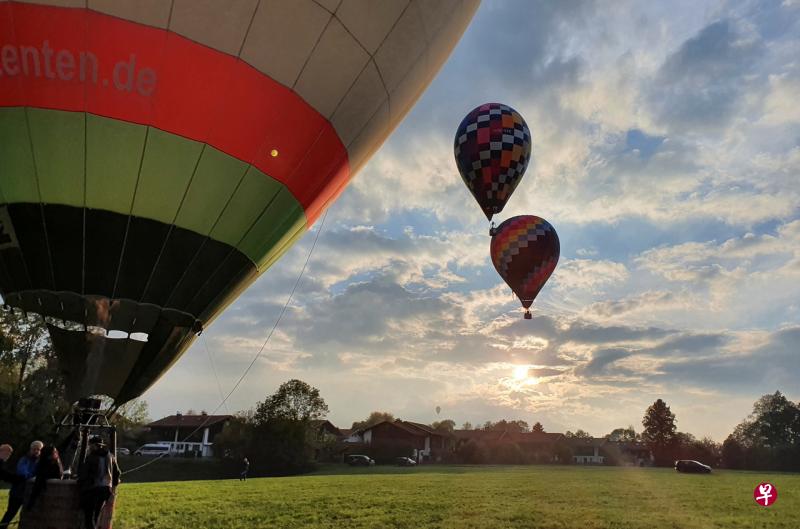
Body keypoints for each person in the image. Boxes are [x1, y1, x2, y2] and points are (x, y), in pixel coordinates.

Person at [78, 436, 120, 529]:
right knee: (96, 514)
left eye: (90, 445)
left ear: (95, 445)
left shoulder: (91, 457)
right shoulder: (111, 456)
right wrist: (113, 485)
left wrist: (81, 484)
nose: (89, 447)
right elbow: (117, 473)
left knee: (89, 517)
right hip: (105, 489)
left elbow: (84, 474)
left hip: (92, 489)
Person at [0, 440, 42, 528]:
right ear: (31, 449)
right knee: (10, 513)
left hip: (30, 494)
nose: (36, 451)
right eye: (34, 449)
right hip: (17, 493)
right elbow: (22, 473)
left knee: (28, 516)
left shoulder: (40, 462)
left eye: (38, 449)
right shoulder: (24, 459)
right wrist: (32, 477)